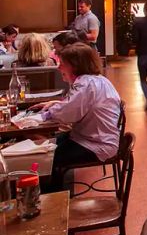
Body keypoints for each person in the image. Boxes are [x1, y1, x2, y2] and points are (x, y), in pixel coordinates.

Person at [33, 43, 121, 192]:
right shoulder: (97, 80)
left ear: (75, 65)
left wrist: (41, 117)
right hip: (94, 136)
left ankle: (54, 202)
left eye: (62, 64)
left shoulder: (86, 84)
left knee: (49, 158)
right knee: (49, 147)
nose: (59, 67)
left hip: (96, 143)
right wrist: (55, 106)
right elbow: (75, 105)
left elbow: (69, 112)